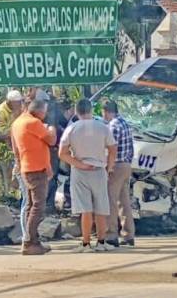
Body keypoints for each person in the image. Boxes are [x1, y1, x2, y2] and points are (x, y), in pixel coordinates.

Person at [59, 98, 117, 253]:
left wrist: (79, 164)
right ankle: (101, 241)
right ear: (91, 110)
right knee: (101, 208)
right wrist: (109, 167)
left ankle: (85, 244)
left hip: (80, 171)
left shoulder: (71, 128)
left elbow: (62, 153)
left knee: (85, 209)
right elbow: (113, 149)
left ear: (77, 112)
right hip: (99, 170)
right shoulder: (103, 127)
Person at [11, 99, 56, 255]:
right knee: (38, 207)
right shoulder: (34, 123)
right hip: (36, 169)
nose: (45, 114)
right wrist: (51, 128)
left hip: (27, 167)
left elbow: (16, 149)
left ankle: (33, 240)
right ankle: (29, 242)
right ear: (39, 111)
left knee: (31, 206)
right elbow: (51, 140)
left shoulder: (18, 123)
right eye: (45, 111)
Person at [102, 100, 136, 248]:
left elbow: (111, 148)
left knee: (110, 200)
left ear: (106, 111)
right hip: (126, 164)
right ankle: (128, 235)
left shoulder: (113, 125)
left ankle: (111, 235)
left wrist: (107, 166)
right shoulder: (125, 123)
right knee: (124, 202)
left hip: (116, 166)